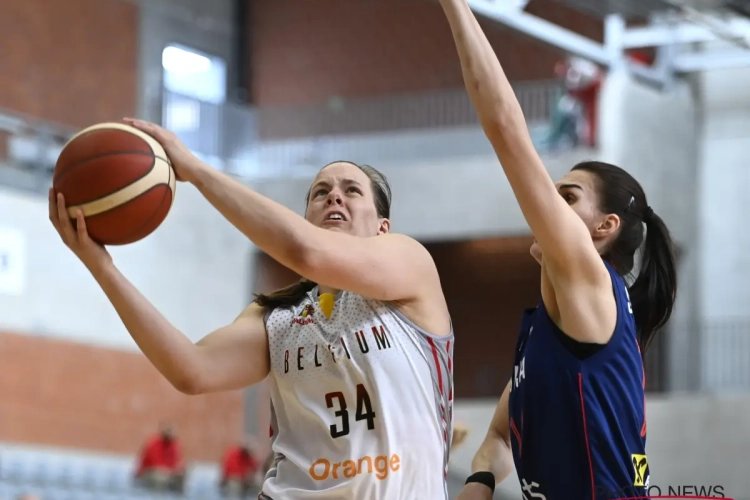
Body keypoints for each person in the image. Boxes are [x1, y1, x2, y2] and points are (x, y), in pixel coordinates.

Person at [48, 121, 455, 499]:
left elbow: (305, 251)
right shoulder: (277, 317)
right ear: (306, 218)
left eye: (351, 190)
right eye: (320, 191)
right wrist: (101, 267)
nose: (334, 195)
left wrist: (196, 171)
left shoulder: (411, 265)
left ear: (383, 227)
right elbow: (191, 369)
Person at [438, 1, 677, 499]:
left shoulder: (592, 282)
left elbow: (505, 129)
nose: (548, 200)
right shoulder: (550, 331)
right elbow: (502, 435)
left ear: (603, 228)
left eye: (566, 197)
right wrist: (480, 480)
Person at [134, 422, 186, 493]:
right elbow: (156, 464)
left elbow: (176, 462)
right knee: (159, 477)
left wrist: (178, 471)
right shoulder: (154, 443)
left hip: (167, 473)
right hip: (148, 474)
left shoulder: (174, 446)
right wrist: (169, 471)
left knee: (180, 476)